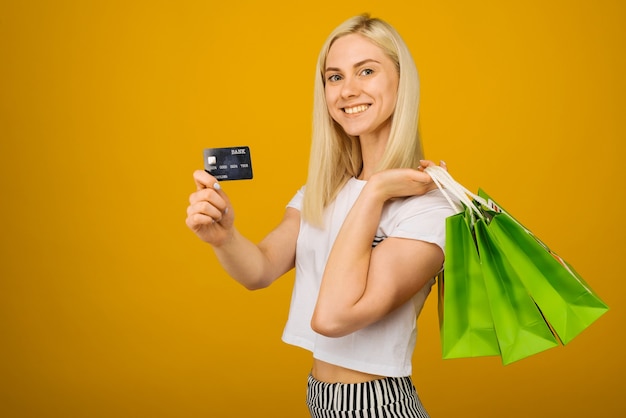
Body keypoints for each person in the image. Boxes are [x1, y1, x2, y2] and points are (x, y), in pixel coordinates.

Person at [186, 14, 457, 418]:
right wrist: (223, 237)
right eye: (334, 77)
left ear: (401, 81)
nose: (348, 90)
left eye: (366, 71)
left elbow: (333, 318)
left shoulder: (431, 209)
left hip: (378, 407)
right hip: (319, 398)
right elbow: (259, 270)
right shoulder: (321, 194)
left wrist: (377, 191)